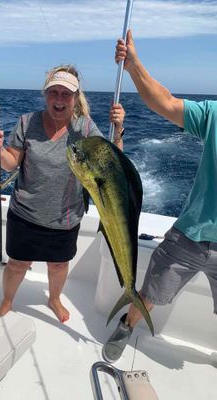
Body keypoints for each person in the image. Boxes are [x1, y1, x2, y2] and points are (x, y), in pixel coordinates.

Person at [102, 29, 217, 363]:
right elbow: (163, 102)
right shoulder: (213, 114)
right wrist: (133, 65)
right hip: (191, 235)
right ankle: (127, 324)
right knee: (149, 293)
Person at [0, 65, 125, 323]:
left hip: (66, 218)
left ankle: (54, 299)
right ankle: (7, 300)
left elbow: (111, 164)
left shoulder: (84, 128)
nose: (59, 100)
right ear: (45, 94)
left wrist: (118, 131)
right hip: (25, 214)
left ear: (75, 98)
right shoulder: (27, 122)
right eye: (54, 93)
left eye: (66, 94)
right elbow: (10, 163)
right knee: (17, 264)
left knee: (59, 265)